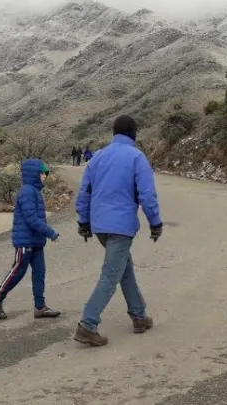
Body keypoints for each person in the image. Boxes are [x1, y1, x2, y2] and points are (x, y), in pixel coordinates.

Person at [73, 115, 162, 347]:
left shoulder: (97, 157)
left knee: (124, 269)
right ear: (134, 133)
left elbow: (84, 193)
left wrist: (83, 222)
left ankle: (139, 316)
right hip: (121, 226)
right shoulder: (136, 157)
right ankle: (87, 324)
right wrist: (155, 223)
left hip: (100, 226)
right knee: (111, 275)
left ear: (114, 133)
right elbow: (147, 195)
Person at [0, 159, 62, 320]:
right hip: (25, 241)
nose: (44, 176)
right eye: (42, 173)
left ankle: (40, 307)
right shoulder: (27, 191)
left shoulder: (34, 191)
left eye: (45, 173)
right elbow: (31, 218)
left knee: (39, 273)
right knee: (17, 272)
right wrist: (50, 232)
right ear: (33, 174)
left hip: (35, 241)